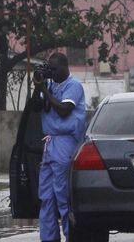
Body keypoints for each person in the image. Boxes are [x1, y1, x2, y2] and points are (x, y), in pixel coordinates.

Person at [33, 52, 86, 242]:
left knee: (63, 196)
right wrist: (38, 87)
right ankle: (49, 238)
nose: (52, 73)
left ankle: (71, 236)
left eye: (54, 69)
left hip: (66, 142)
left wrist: (45, 91)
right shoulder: (49, 85)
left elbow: (64, 110)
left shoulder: (74, 86)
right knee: (46, 196)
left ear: (65, 67)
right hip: (50, 142)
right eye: (50, 69)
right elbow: (36, 107)